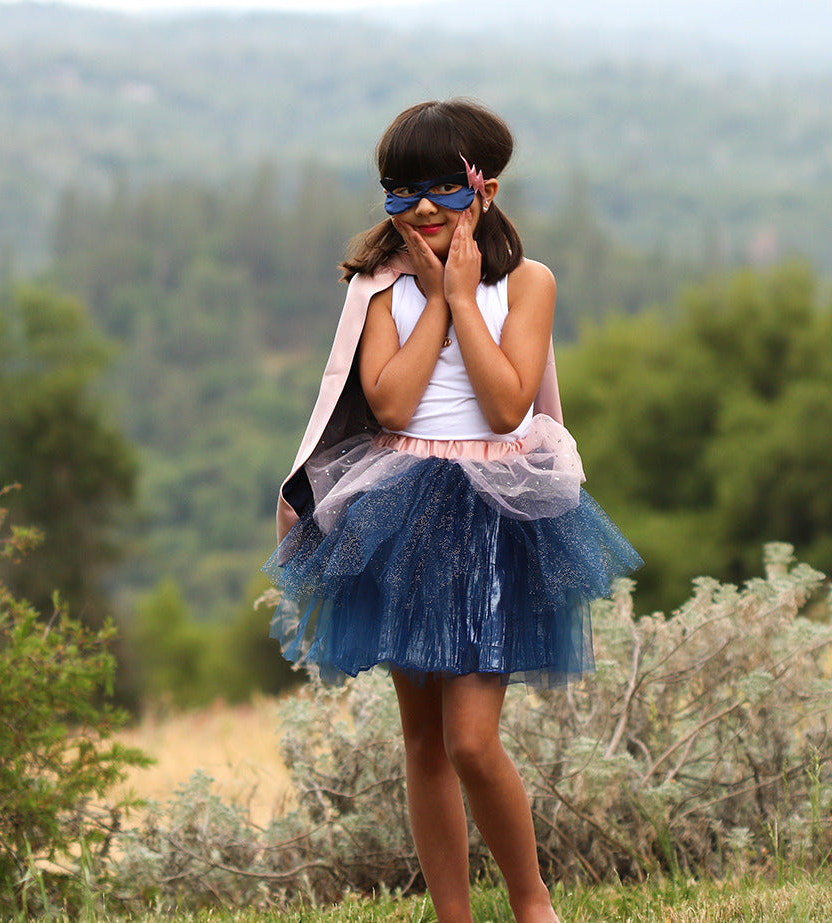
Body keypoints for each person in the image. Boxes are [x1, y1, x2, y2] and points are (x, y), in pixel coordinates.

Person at [263, 98, 642, 923]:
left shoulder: (528, 283)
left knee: (471, 738)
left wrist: (466, 299)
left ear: (485, 189)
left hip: (495, 512)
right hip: (403, 511)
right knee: (425, 740)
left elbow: (506, 407)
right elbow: (393, 405)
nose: (422, 207)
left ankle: (533, 904)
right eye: (402, 191)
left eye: (442, 187)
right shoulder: (379, 290)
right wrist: (434, 298)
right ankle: (453, 914)